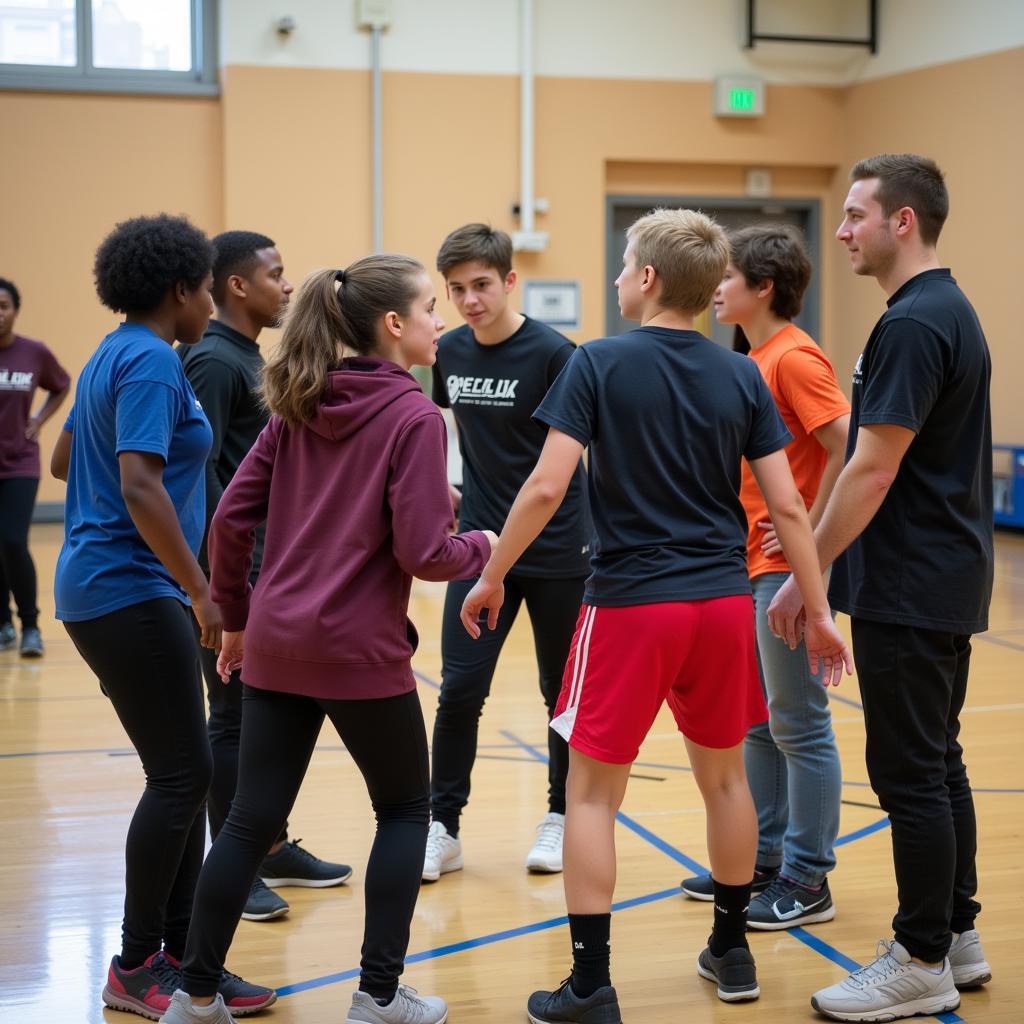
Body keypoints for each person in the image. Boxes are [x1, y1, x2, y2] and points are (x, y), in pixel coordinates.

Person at [460, 208, 852, 1023]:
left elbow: (543, 487)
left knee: (594, 796)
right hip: (718, 602)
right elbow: (786, 504)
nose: (613, 279)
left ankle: (590, 985)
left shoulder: (597, 362)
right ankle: (732, 948)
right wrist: (818, 608)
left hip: (633, 605)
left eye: (622, 265)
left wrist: (492, 574)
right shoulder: (742, 372)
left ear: (645, 279)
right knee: (726, 781)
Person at [159, 257, 496, 1024]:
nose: (441, 322)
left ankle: (195, 994)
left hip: (277, 642)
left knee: (247, 820)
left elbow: (229, 519)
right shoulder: (413, 416)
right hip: (357, 651)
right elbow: (424, 554)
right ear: (394, 326)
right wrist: (481, 541)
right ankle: (378, 997)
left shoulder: (298, 403)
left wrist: (238, 619)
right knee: (408, 811)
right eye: (430, 308)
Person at [768, 154, 993, 1022]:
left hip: (911, 581)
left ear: (904, 221)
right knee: (939, 765)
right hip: (942, 575)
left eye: (858, 214)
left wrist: (806, 574)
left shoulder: (913, 323)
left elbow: (869, 470)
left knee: (909, 775)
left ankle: (922, 955)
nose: (843, 229)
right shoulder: (945, 310)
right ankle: (957, 933)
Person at [50, 215, 272, 1020]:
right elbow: (140, 483)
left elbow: (65, 459)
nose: (211, 302)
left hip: (103, 583)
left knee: (186, 773)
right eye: (206, 289)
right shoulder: (148, 360)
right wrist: (203, 588)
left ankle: (176, 956)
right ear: (180, 289)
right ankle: (136, 964)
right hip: (130, 588)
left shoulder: (112, 351)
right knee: (181, 776)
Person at [680, 225, 850, 930]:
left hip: (783, 567)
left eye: (727, 277)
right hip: (751, 559)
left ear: (763, 287)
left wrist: (808, 542)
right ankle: (765, 858)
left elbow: (849, 447)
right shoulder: (754, 359)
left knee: (801, 726)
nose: (716, 289)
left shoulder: (794, 359)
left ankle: (809, 878)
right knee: (758, 722)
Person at [179, 230, 351, 923]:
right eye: (275, 275)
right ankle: (237, 862)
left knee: (261, 719)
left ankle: (268, 844)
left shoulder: (246, 357)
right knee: (233, 720)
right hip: (230, 581)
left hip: (262, 571)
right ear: (236, 287)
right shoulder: (215, 364)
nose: (287, 286)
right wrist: (218, 589)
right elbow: (197, 478)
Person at [424, 223, 591, 881]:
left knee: (561, 694)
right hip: (480, 549)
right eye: (457, 289)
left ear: (510, 281)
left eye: (481, 285)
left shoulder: (557, 354)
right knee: (460, 687)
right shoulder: (448, 352)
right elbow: (444, 427)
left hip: (558, 550)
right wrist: (445, 488)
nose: (469, 300)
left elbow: (562, 468)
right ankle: (443, 826)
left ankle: (560, 816)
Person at [0, 276, 70, 657]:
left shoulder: (33, 352)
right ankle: (2, 625)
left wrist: (39, 420)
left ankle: (30, 625)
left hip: (19, 462)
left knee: (12, 540)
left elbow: (60, 384)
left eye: (4, 306)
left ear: (15, 310)